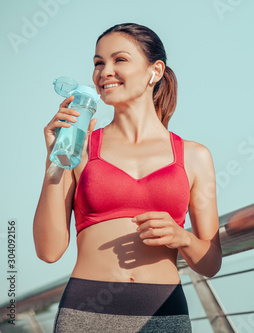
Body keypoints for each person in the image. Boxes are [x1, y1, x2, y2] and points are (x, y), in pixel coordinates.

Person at [33, 23, 222, 332]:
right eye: (98, 63)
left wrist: (182, 237)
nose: (105, 71)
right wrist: (55, 161)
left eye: (119, 59)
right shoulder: (78, 146)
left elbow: (211, 262)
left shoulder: (194, 156)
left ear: (155, 71)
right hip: (85, 313)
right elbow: (48, 251)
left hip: (163, 314)